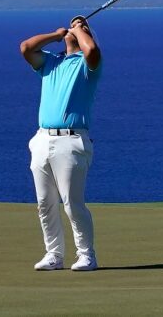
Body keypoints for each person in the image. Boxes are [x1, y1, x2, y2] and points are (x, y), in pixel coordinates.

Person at [20, 15, 102, 271]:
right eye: (74, 25)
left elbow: (92, 50)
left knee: (72, 203)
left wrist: (79, 29)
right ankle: (53, 255)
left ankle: (87, 255)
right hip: (43, 139)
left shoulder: (88, 66)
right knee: (45, 203)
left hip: (72, 140)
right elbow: (26, 47)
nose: (74, 28)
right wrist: (57, 35)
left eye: (82, 27)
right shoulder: (50, 62)